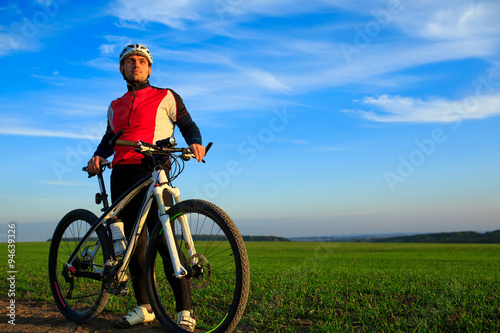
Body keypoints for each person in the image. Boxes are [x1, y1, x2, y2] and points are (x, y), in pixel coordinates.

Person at [87, 44, 204, 331]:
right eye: (129, 62)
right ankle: (144, 307)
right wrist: (98, 156)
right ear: (122, 69)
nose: (135, 65)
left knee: (164, 241)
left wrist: (195, 141)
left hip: (154, 170)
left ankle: (184, 311)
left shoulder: (166, 96)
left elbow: (187, 123)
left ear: (150, 68)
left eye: (141, 61)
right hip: (121, 175)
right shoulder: (114, 105)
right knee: (134, 244)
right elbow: (109, 138)